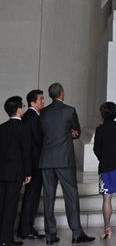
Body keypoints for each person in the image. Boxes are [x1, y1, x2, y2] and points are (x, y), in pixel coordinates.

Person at [38, 83, 95, 245]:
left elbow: (42, 133)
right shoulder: (69, 110)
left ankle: (50, 235)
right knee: (71, 195)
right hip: (64, 159)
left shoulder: (43, 113)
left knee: (48, 197)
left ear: (51, 95)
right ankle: (77, 233)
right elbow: (76, 132)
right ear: (62, 94)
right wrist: (70, 133)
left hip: (47, 159)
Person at [93, 102, 116, 239]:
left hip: (106, 167)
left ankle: (108, 229)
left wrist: (103, 158)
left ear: (102, 114)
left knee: (107, 197)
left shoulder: (100, 129)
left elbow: (97, 149)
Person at [0, 96, 31, 246]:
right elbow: (26, 153)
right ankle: (6, 239)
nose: (23, 108)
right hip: (15, 173)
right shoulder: (23, 128)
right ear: (19, 109)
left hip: (1, 172)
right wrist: (28, 173)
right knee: (10, 207)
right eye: (23, 106)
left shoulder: (1, 127)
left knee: (1, 204)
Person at [18, 90, 46, 240]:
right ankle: (26, 229)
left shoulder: (31, 116)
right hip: (34, 164)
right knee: (32, 196)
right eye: (41, 99)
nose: (43, 101)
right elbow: (38, 141)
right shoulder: (33, 117)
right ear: (33, 103)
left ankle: (27, 228)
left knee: (32, 195)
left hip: (33, 163)